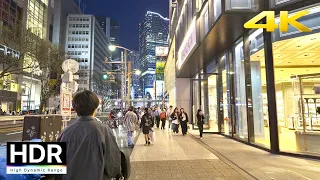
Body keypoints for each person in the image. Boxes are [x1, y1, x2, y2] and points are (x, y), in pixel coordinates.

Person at [56, 90, 122, 180]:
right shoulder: (103, 130)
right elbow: (113, 165)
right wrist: (118, 174)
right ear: (95, 107)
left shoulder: (66, 132)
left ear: (75, 108)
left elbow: (58, 167)